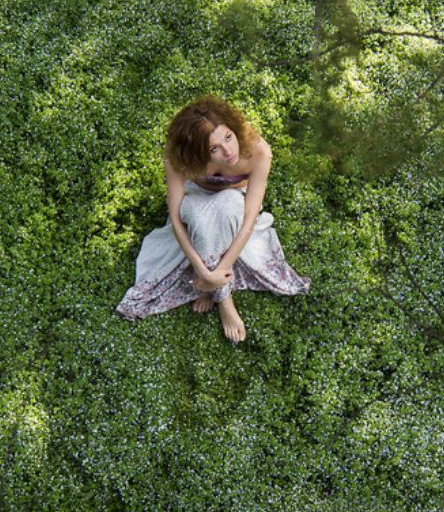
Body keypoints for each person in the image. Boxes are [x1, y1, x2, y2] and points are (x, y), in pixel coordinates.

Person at [115, 96, 311, 341]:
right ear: (197, 152)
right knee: (198, 216)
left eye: (228, 137)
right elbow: (176, 219)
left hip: (236, 202)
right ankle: (224, 298)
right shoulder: (178, 157)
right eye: (214, 149)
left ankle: (213, 292)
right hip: (196, 198)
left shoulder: (259, 151)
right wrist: (203, 271)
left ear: (233, 128)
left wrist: (219, 270)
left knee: (227, 206)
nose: (228, 151)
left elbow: (250, 218)